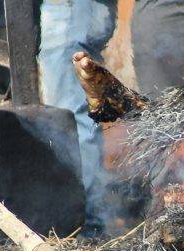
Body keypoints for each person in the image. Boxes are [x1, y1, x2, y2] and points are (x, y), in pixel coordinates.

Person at [38, 0, 117, 236]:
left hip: (70, 9)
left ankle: (85, 222)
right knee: (74, 113)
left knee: (70, 117)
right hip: (76, 10)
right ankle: (87, 217)